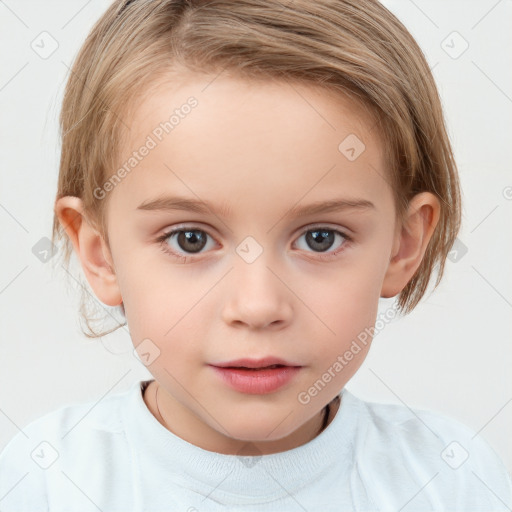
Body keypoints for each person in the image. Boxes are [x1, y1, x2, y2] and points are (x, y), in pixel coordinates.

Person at [1, 0, 510, 510]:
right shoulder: (43, 483)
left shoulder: (452, 481)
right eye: (190, 239)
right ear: (101, 253)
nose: (258, 306)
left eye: (320, 238)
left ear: (403, 245)